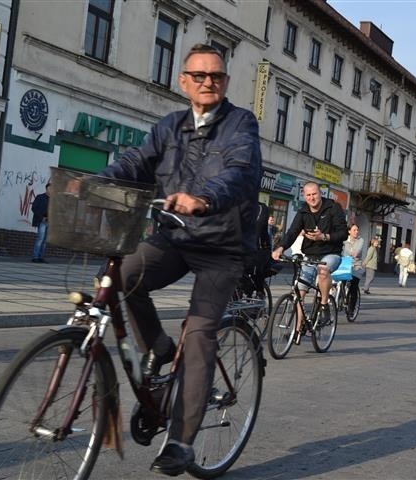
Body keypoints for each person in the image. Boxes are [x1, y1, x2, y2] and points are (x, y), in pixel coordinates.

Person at [98, 44, 262, 476]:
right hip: (176, 237)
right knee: (123, 277)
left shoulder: (241, 124)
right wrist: (95, 181)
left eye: (217, 76)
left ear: (225, 82)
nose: (209, 82)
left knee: (200, 336)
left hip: (222, 248)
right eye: (200, 75)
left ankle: (181, 441)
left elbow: (241, 171)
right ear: (183, 81)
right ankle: (157, 345)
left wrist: (204, 199)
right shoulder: (169, 126)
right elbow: (137, 161)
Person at [272, 181, 347, 344]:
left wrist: (324, 237)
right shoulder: (303, 211)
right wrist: (280, 248)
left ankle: (324, 304)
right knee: (300, 291)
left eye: (314, 194)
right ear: (304, 196)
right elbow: (292, 232)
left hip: (331, 254)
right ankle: (297, 330)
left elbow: (343, 233)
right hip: (310, 255)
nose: (312, 198)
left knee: (323, 269)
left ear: (320, 194)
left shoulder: (333, 208)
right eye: (308, 195)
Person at [342, 223, 365, 310]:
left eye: (357, 230)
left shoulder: (360, 240)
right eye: (354, 230)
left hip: (356, 266)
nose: (356, 232)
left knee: (353, 286)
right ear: (349, 231)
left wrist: (353, 253)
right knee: (340, 281)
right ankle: (342, 297)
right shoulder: (344, 241)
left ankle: (351, 308)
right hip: (345, 264)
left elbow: (357, 252)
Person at [31, 183, 51, 263]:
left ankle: (41, 257)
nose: (51, 190)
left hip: (50, 222)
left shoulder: (54, 199)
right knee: (40, 239)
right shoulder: (40, 197)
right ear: (46, 189)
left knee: (45, 241)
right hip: (42, 221)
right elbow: (34, 208)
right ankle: (35, 257)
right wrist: (42, 217)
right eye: (50, 188)